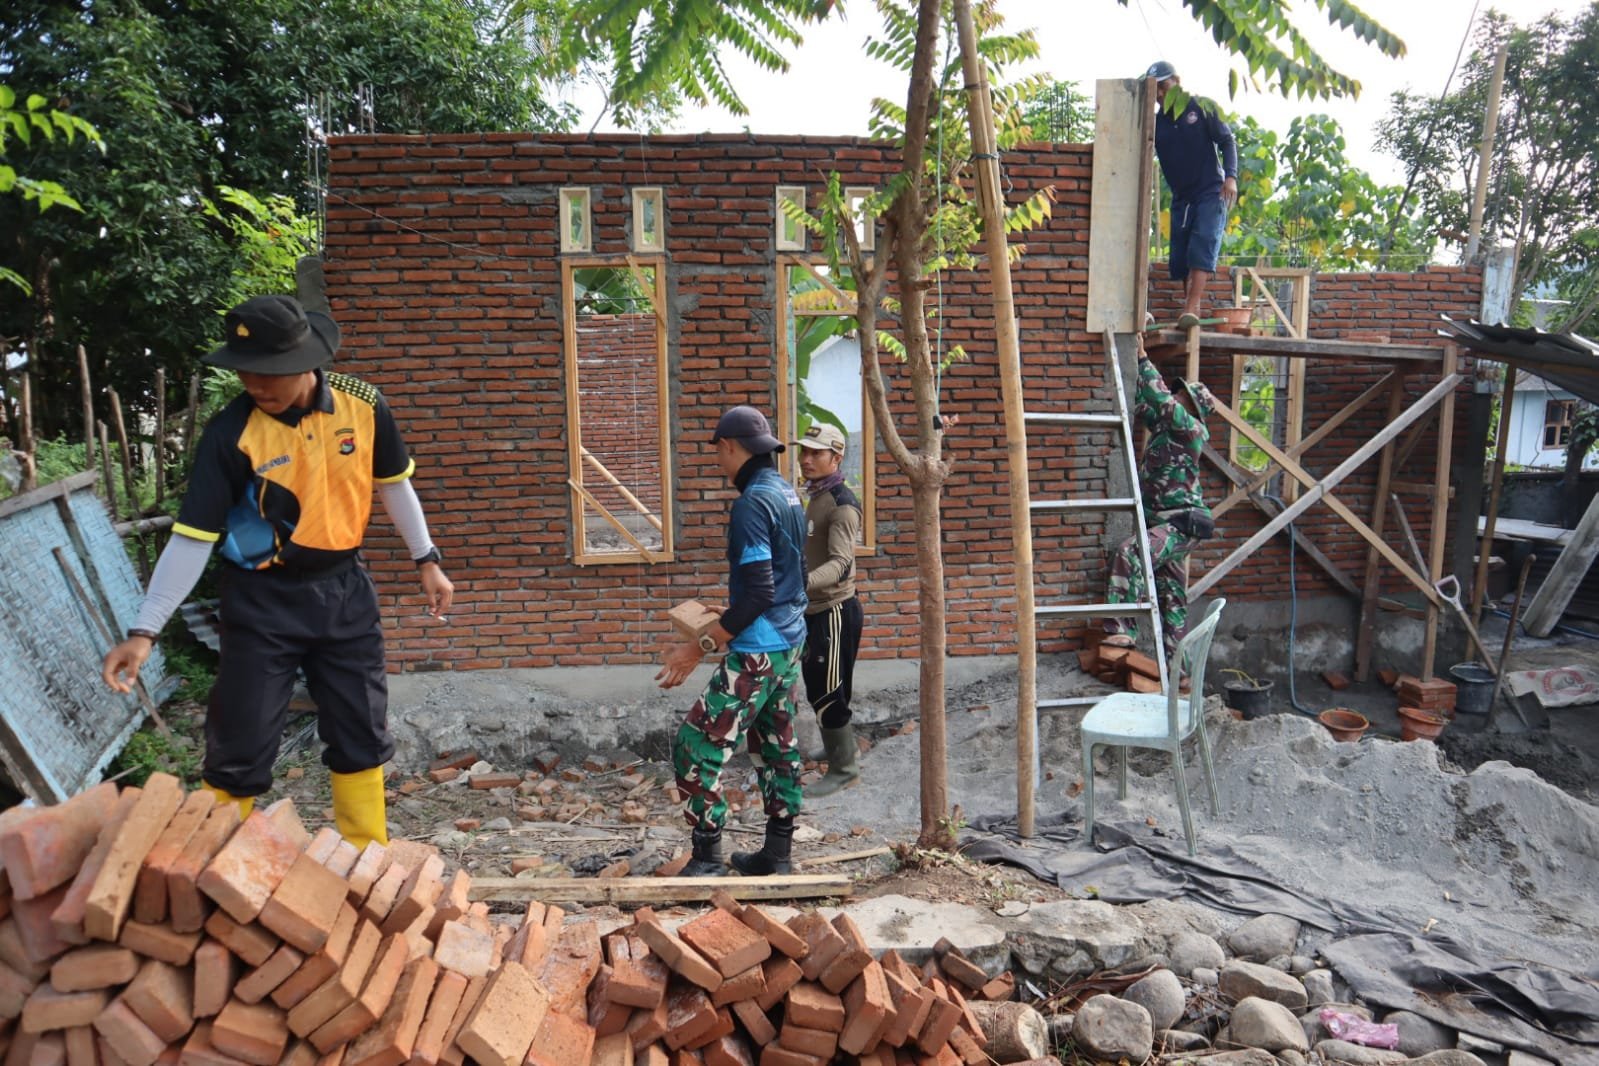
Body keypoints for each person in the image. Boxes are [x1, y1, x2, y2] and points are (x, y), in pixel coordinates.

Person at [102, 295, 453, 848]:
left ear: (305, 362)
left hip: (344, 592)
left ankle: (365, 858)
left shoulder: (363, 405)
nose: (255, 384)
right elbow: (193, 538)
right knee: (239, 738)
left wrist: (426, 559)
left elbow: (393, 484)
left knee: (361, 730)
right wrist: (144, 631)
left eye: (268, 371)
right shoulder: (231, 433)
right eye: (245, 371)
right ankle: (212, 863)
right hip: (260, 601)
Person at [657, 405, 809, 877]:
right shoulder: (787, 493)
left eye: (718, 453)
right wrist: (732, 611)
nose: (719, 463)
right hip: (788, 641)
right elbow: (786, 576)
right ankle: (777, 855)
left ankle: (707, 858)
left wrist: (698, 647)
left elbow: (761, 591)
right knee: (776, 745)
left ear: (728, 447)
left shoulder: (751, 504)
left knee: (696, 746)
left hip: (759, 649)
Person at [1104, 339, 1216, 669]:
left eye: (1184, 397)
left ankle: (1121, 629)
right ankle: (1181, 672)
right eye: (1178, 393)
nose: (1177, 396)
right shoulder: (1168, 431)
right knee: (1172, 599)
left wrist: (1141, 357)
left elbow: (1160, 399)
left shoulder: (1191, 430)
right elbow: (1145, 405)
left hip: (1182, 522)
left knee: (1130, 553)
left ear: (1192, 408)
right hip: (1168, 523)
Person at [791, 422, 863, 797]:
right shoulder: (817, 496)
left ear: (836, 457)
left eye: (815, 453)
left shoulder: (842, 505)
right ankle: (838, 748)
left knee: (829, 689)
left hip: (835, 610)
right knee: (818, 682)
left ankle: (844, 769)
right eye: (804, 451)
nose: (806, 459)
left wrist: (798, 584)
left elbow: (840, 565)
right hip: (816, 608)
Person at [1146, 60, 1238, 329]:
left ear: (1176, 81)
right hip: (1182, 196)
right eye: (1154, 89)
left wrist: (1231, 177)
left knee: (1203, 241)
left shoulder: (1200, 107)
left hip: (1210, 190)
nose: (1159, 93)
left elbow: (1227, 141)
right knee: (1181, 257)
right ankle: (1189, 310)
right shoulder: (1155, 124)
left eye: (1163, 85)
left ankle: (1192, 306)